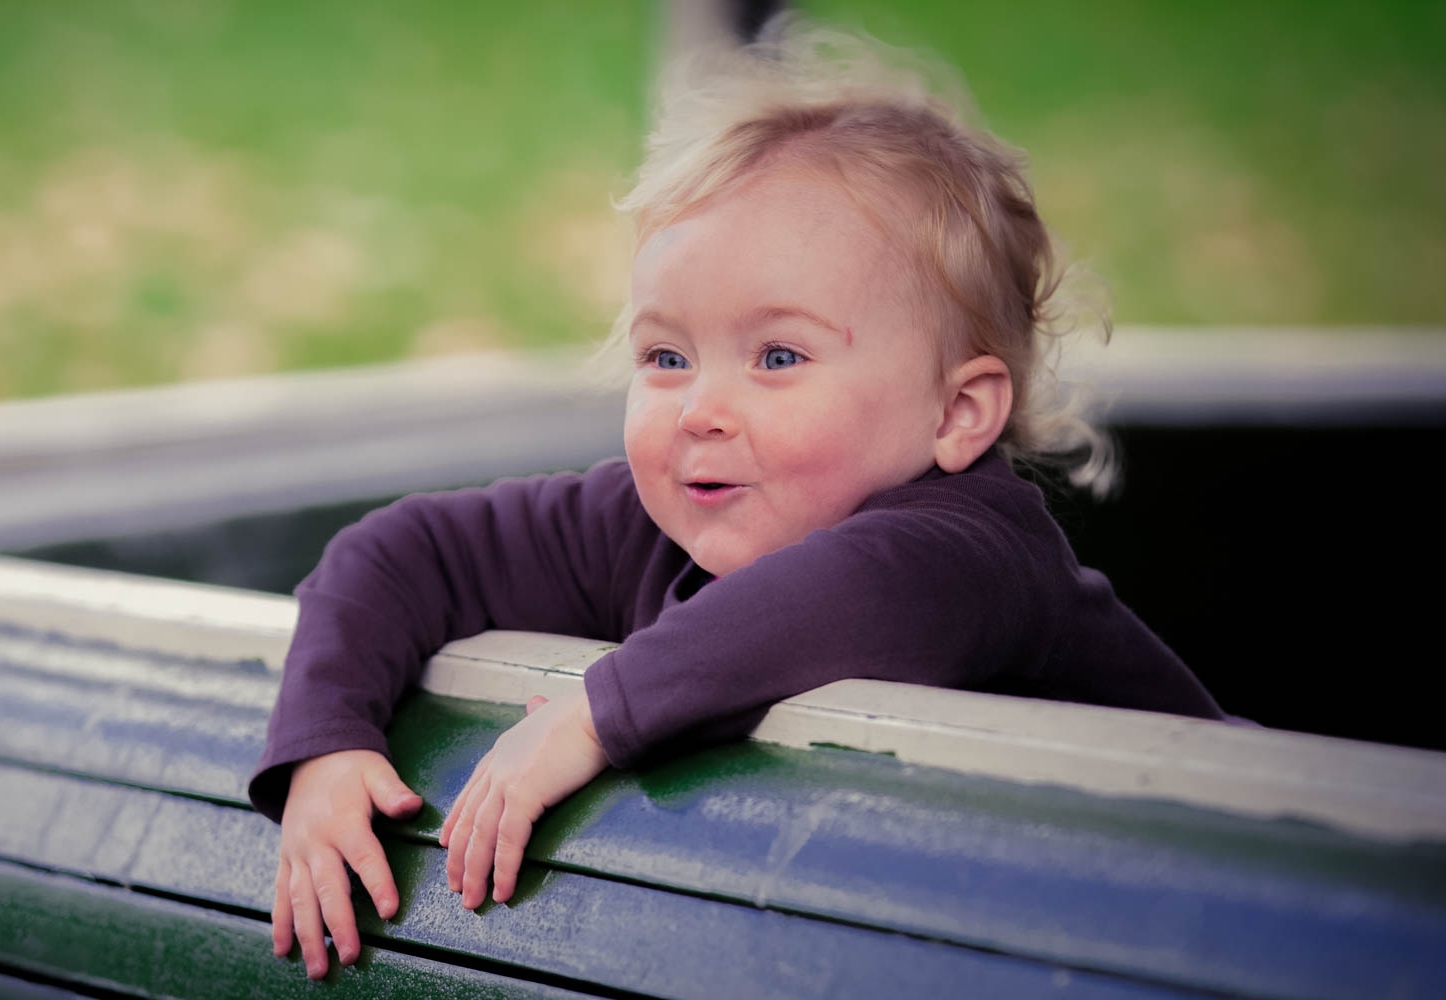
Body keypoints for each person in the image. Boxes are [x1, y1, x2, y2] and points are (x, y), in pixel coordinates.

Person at [248, 19, 1226, 981]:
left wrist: (591, 715)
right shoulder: (651, 522)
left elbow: (842, 593)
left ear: (956, 412)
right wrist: (326, 741)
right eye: (665, 355)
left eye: (778, 356)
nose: (701, 408)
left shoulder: (971, 552)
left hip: (1215, 919)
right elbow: (409, 548)